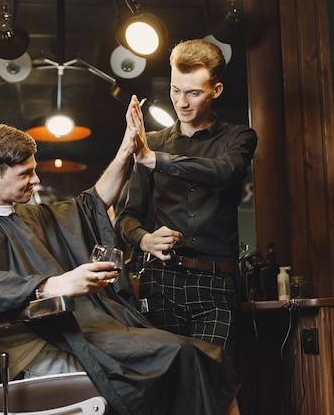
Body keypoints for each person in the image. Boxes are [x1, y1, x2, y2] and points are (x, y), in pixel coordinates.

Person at [0, 119, 235, 415]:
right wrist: (57, 284)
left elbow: (92, 203)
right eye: (26, 173)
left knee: (205, 356)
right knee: (180, 358)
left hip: (76, 332)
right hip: (40, 347)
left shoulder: (31, 215)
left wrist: (127, 149)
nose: (36, 181)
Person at [115, 39, 258, 414]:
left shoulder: (238, 138)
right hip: (161, 282)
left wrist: (152, 159)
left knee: (215, 386)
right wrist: (144, 239)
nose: (182, 102)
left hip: (215, 286)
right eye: (175, 90)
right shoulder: (153, 145)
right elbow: (126, 218)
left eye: (193, 92)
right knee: (165, 393)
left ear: (216, 90)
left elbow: (224, 173)